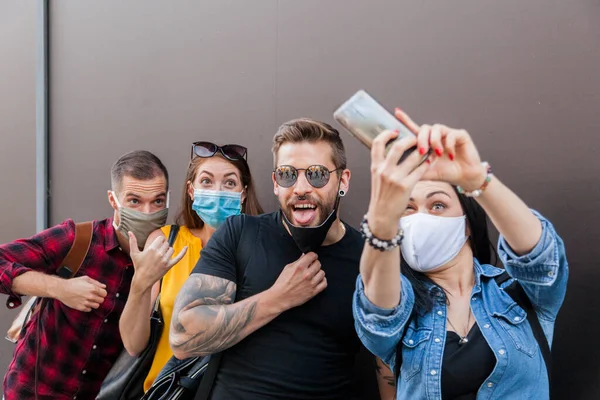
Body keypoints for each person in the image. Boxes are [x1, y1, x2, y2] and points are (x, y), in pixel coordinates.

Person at [353, 108, 568, 399]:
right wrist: (381, 221)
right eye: (408, 208)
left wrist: (476, 179)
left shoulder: (516, 294)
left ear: (467, 223)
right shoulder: (402, 306)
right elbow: (378, 314)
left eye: (437, 205)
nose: (421, 218)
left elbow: (540, 256)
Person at [169, 119, 381, 399]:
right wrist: (278, 298)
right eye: (287, 174)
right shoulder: (241, 233)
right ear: (275, 184)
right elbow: (182, 338)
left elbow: (386, 366)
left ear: (342, 181)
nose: (301, 187)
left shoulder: (370, 258)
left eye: (317, 174)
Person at [0, 150, 175, 400]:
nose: (147, 213)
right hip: (33, 392)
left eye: (157, 202)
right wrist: (61, 289)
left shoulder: (165, 258)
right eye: (134, 201)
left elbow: (136, 346)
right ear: (113, 201)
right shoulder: (79, 240)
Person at [118, 141, 264, 392]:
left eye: (229, 183)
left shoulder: (262, 247)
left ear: (242, 194)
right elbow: (134, 344)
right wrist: (139, 284)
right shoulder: (165, 241)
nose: (217, 191)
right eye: (206, 181)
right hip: (170, 390)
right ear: (191, 190)